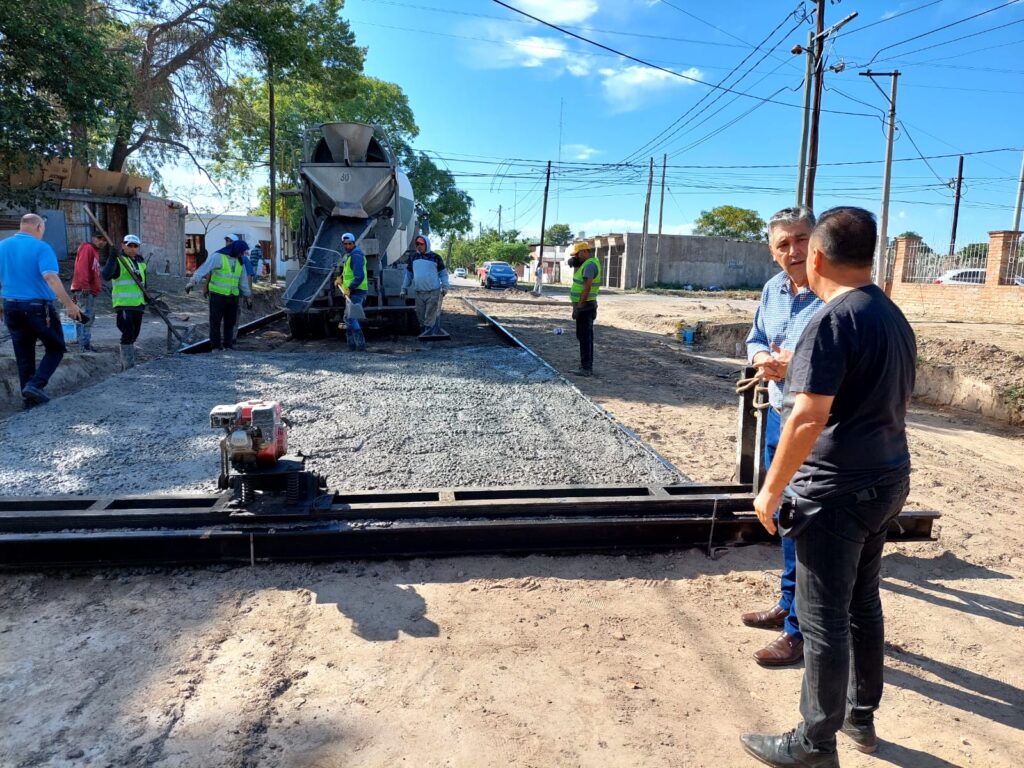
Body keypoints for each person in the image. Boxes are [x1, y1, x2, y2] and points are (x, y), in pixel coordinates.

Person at [742, 207, 916, 767]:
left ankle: (814, 743)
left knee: (821, 622)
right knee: (863, 604)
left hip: (835, 492)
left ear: (816, 255)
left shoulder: (831, 320)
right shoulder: (889, 314)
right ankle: (862, 720)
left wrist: (771, 489)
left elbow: (805, 417)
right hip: (885, 479)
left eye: (802, 247)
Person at [740, 206, 823, 668]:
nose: (795, 250)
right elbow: (756, 336)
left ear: (819, 242)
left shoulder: (832, 295)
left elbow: (838, 362)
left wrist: (793, 366)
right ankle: (787, 604)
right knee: (786, 517)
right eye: (784, 243)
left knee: (808, 525)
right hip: (777, 414)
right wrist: (760, 361)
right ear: (772, 252)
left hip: (815, 425)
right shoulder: (772, 290)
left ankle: (799, 633)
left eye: (802, 239)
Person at [0, 213, 83, 406]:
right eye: (43, 229)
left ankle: (29, 400)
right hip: (37, 307)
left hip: (11, 306)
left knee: (24, 355)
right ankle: (36, 385)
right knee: (56, 347)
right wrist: (70, 304)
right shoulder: (41, 247)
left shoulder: (2, 247)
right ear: (38, 227)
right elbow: (51, 278)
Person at [185, 238, 252, 350]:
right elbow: (204, 269)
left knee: (230, 323)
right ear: (236, 249)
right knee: (215, 322)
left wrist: (248, 296)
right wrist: (192, 282)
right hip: (217, 296)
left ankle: (228, 346)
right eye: (241, 252)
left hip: (232, 297)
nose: (242, 254)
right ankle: (216, 347)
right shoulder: (218, 257)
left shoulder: (240, 261)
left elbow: (243, 281)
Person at [101, 234, 148, 370]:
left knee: (135, 333)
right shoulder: (119, 260)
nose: (132, 249)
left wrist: (147, 297)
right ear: (123, 246)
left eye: (135, 246)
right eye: (129, 246)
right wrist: (112, 257)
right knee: (127, 333)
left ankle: (126, 363)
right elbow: (106, 275)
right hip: (124, 304)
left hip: (138, 304)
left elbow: (144, 282)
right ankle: (128, 367)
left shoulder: (141, 262)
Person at [400, 234, 449, 337]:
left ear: (426, 244)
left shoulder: (435, 258)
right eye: (417, 244)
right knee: (421, 317)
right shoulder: (413, 258)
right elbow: (409, 275)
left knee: (430, 317)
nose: (419, 246)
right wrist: (403, 288)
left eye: (421, 244)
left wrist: (445, 286)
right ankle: (424, 335)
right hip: (419, 292)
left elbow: (443, 274)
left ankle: (428, 341)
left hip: (433, 292)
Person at [567, 241, 600, 377]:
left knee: (585, 337)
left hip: (585, 306)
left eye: (578, 254)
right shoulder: (587, 264)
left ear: (585, 252)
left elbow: (587, 287)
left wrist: (579, 305)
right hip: (585, 305)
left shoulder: (590, 265)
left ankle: (586, 368)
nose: (577, 257)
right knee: (583, 336)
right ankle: (585, 366)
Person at [71, 231, 107, 351]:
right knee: (85, 316)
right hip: (84, 290)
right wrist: (85, 285)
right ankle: (84, 345)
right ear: (93, 238)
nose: (101, 241)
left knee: (87, 316)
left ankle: (85, 343)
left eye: (104, 240)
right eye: (99, 238)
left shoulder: (94, 251)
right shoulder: (87, 248)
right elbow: (82, 267)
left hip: (88, 290)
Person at [338, 232, 367, 351]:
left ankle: (360, 345)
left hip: (357, 292)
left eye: (350, 244)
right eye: (345, 244)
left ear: (354, 243)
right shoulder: (349, 256)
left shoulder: (356, 255)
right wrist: (341, 278)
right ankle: (351, 347)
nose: (347, 246)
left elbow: (359, 276)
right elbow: (349, 273)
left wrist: (349, 288)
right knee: (348, 317)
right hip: (351, 292)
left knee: (351, 318)